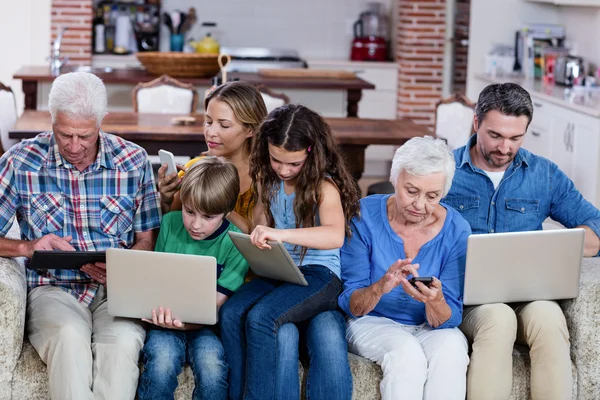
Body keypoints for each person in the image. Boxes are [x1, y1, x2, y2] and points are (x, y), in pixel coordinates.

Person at [0, 72, 161, 399]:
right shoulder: (20, 161)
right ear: (52, 121)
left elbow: (147, 238)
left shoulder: (134, 161)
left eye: (85, 136)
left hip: (115, 291)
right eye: (64, 134)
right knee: (70, 336)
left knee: (123, 347)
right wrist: (26, 246)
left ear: (102, 121)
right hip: (52, 289)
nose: (74, 146)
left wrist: (129, 264)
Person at [444, 82, 600, 400]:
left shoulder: (544, 175)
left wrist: (559, 244)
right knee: (499, 319)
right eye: (496, 135)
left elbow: (595, 226)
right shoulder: (445, 170)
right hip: (467, 297)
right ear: (476, 124)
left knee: (550, 320)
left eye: (516, 137)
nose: (505, 147)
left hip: (530, 293)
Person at [219, 104, 360, 400]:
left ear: (311, 153)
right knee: (231, 312)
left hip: (320, 275)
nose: (283, 170)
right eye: (276, 160)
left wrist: (279, 234)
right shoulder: (268, 179)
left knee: (261, 317)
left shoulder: (324, 187)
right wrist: (252, 226)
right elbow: (261, 223)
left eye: (293, 164)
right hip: (281, 268)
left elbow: (334, 235)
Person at [339, 136, 472, 400]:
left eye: (432, 196)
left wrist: (435, 301)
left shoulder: (457, 230)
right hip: (371, 320)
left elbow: (449, 317)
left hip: (426, 326)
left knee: (454, 349)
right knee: (406, 354)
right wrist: (380, 287)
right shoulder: (362, 215)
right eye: (411, 191)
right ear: (394, 178)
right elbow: (351, 304)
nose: (420, 204)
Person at [137, 157, 249, 400]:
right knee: (161, 365)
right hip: (163, 320)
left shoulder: (236, 242)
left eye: (208, 217)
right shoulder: (169, 223)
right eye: (189, 212)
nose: (196, 225)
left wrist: (186, 324)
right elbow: (153, 280)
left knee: (213, 369)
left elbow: (214, 307)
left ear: (227, 213)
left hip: (205, 327)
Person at [157, 81, 267, 232]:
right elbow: (170, 230)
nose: (211, 132)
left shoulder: (267, 179)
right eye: (208, 121)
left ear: (250, 130)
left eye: (224, 125)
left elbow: (258, 238)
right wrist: (166, 199)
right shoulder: (193, 169)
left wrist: (217, 201)